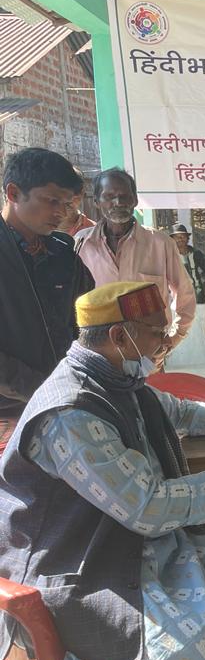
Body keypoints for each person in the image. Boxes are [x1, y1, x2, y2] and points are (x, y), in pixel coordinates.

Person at [0, 281, 205, 660]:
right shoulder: (71, 413)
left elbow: (181, 413)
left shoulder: (117, 381)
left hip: (124, 545)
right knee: (192, 650)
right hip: (75, 573)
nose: (167, 343)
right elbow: (149, 508)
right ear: (119, 336)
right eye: (158, 333)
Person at [0, 148, 93, 451]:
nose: (61, 213)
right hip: (9, 411)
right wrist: (45, 388)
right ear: (14, 193)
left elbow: (87, 322)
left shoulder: (63, 254)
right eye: (51, 201)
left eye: (67, 204)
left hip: (65, 402)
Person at [75, 168, 196, 365]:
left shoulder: (160, 243)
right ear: (96, 201)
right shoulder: (81, 244)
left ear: (135, 200)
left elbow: (185, 293)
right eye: (109, 196)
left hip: (149, 357)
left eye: (124, 196)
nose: (118, 202)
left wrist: (173, 338)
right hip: (98, 357)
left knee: (152, 388)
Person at [171, 222, 205, 304]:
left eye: (183, 236)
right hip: (179, 296)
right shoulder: (170, 256)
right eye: (177, 237)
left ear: (187, 238)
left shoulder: (196, 254)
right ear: (172, 240)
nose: (180, 239)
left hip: (198, 294)